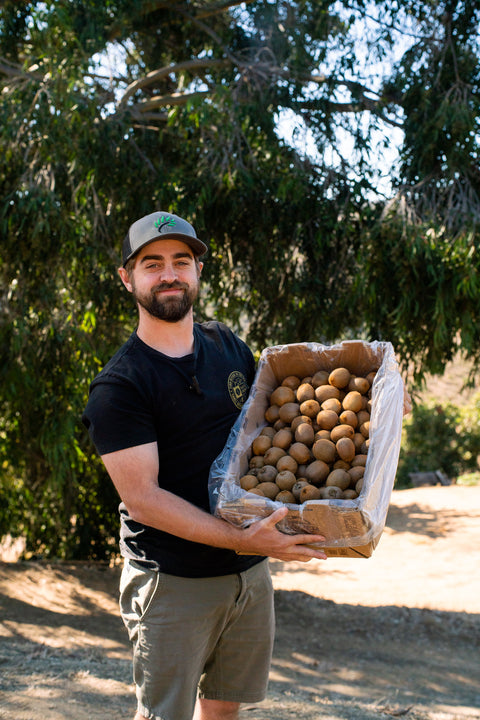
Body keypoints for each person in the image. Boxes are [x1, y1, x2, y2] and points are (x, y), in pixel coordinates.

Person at [82, 210, 327, 720]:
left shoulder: (228, 347)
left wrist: (371, 403)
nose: (168, 274)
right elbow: (144, 500)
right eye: (152, 264)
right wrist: (247, 539)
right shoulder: (120, 387)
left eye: (180, 261)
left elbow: (275, 425)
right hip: (173, 580)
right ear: (127, 278)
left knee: (223, 711)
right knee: (164, 715)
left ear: (197, 271)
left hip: (249, 575)